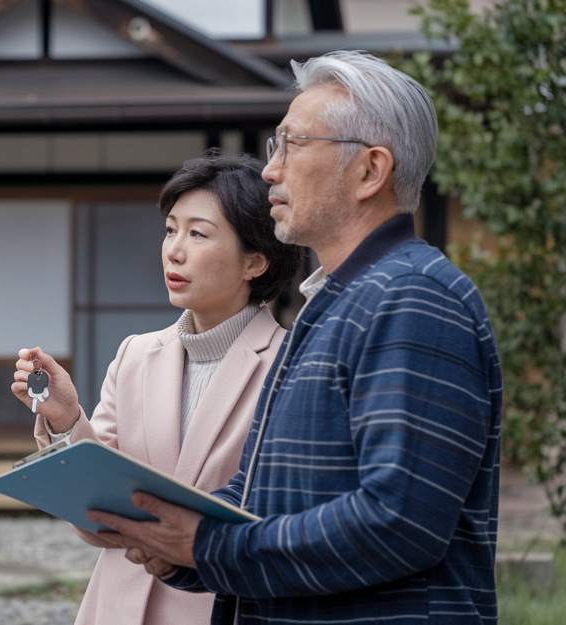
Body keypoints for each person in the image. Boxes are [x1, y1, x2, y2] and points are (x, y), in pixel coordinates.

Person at [87, 50, 503, 625]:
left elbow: (399, 522)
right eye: (273, 146)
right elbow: (260, 492)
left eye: (293, 145)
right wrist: (173, 541)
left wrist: (204, 545)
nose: (269, 170)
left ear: (368, 171)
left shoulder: (412, 296)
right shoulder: (331, 304)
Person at [10, 151, 303, 625]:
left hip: (220, 610)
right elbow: (99, 523)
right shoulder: (135, 355)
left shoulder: (292, 364)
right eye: (170, 229)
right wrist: (67, 418)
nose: (174, 249)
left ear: (255, 261)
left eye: (198, 233)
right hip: (115, 607)